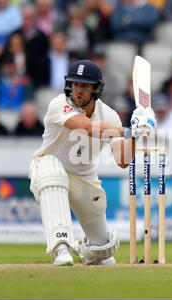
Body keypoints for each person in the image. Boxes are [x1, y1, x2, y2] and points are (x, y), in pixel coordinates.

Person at [28, 59, 156, 266]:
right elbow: (85, 127)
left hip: (83, 178)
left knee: (104, 252)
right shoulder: (58, 104)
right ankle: (61, 247)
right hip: (47, 170)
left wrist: (136, 135)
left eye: (85, 86)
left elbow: (122, 161)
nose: (78, 91)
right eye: (75, 84)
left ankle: (87, 251)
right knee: (53, 173)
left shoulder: (109, 116)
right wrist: (126, 130)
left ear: (96, 90)